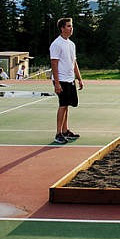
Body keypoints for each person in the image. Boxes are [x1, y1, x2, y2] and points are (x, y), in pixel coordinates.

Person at [49, 17, 84, 145]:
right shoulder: (56, 44)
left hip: (70, 79)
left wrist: (79, 78)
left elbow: (74, 62)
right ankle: (58, 134)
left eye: (71, 26)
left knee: (67, 105)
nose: (71, 28)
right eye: (68, 26)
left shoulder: (71, 44)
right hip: (61, 79)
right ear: (62, 28)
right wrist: (57, 83)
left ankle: (65, 130)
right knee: (63, 105)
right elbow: (54, 64)